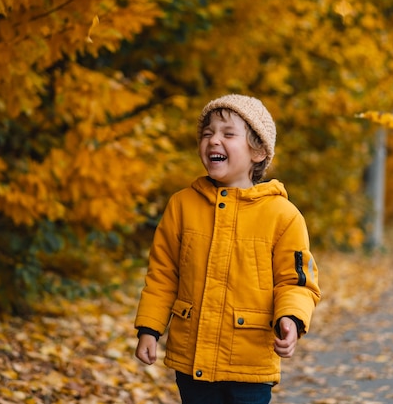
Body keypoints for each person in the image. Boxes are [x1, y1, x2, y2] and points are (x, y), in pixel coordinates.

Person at [134, 94, 321, 404]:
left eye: (227, 133)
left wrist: (291, 317)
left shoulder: (283, 216)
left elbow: (296, 281)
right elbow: (163, 274)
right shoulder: (182, 205)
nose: (213, 141)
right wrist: (150, 329)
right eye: (207, 133)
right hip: (191, 358)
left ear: (258, 151)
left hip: (250, 362)